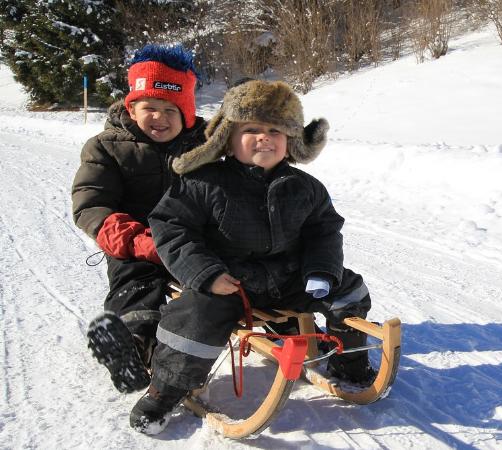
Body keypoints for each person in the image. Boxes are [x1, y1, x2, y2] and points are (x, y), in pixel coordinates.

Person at [132, 80, 375, 434]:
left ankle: (348, 363)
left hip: (290, 278)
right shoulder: (204, 181)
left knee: (350, 289)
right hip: (229, 282)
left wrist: (322, 271)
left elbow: (324, 230)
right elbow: (171, 227)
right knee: (195, 315)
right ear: (228, 138)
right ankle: (165, 389)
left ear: (290, 140)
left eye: (275, 130)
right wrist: (206, 273)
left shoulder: (305, 187)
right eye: (252, 129)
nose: (265, 138)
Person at [71, 44, 207, 395]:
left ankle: (289, 329)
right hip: (137, 242)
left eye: (169, 110)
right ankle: (131, 345)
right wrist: (134, 240)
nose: (158, 117)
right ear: (132, 108)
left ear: (187, 113)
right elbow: (91, 204)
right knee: (136, 281)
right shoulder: (107, 147)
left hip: (193, 242)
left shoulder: (205, 147)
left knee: (240, 273)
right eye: (149, 107)